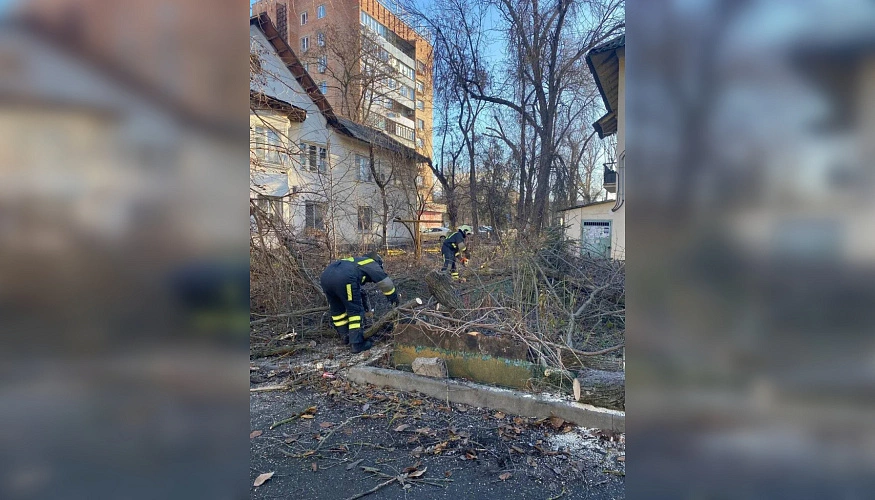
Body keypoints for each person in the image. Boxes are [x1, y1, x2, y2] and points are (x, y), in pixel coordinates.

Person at [319, 252, 399, 353]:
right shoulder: (371, 263)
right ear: (377, 262)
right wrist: (394, 298)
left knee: (337, 310)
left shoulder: (355, 261)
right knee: (355, 310)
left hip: (326, 277)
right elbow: (385, 283)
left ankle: (345, 336)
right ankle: (356, 344)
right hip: (345, 278)